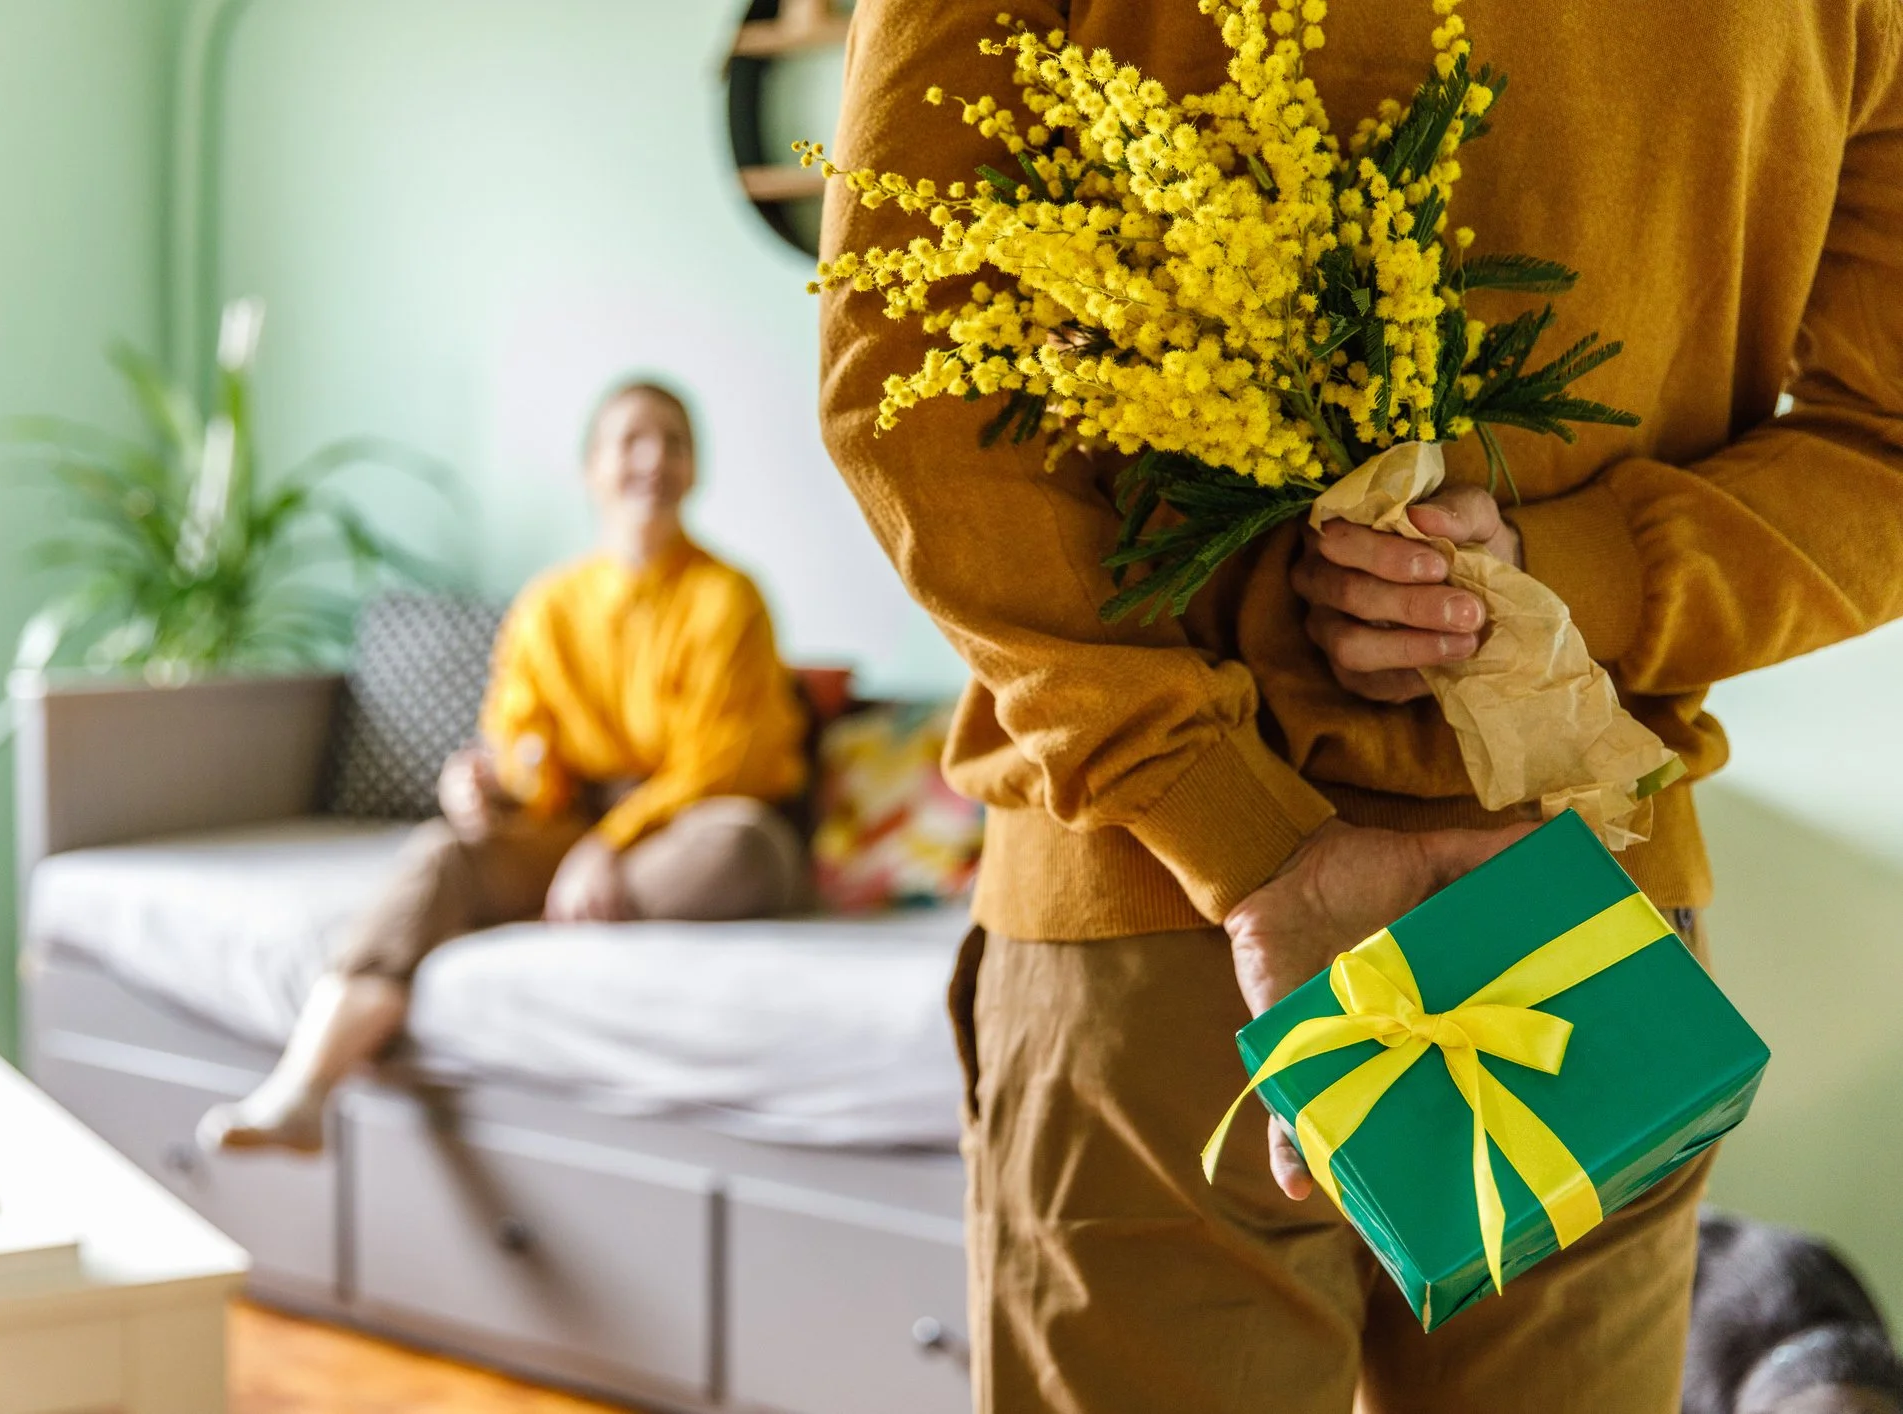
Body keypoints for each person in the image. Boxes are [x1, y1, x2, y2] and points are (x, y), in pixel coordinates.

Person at [819, 4, 1903, 1413]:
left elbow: (911, 387)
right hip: (1580, 905)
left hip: (1164, 913)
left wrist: (1231, 819)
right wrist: (1557, 581)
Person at [201, 380, 810, 1153]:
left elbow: (719, 764)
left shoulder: (729, 598)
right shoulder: (550, 606)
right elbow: (530, 757)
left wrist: (608, 846)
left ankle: (548, 905)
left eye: (675, 442)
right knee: (441, 854)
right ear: (593, 468)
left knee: (739, 844)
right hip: (576, 830)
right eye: (631, 440)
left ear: (694, 472)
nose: (653, 459)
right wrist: (489, 788)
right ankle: (303, 1088)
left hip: (689, 827)